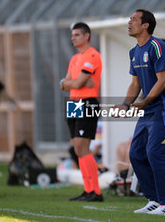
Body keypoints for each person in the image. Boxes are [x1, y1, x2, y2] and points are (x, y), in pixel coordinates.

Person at [114, 9, 165, 215]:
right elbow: (135, 84)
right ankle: (154, 200)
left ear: (146, 25)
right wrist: (125, 105)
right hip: (148, 110)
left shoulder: (158, 47)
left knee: (156, 154)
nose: (129, 22)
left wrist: (145, 102)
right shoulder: (133, 52)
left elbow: (163, 81)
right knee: (136, 154)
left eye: (134, 19)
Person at [60, 22, 103, 202]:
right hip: (73, 103)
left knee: (82, 147)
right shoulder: (74, 59)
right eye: (72, 35)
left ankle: (96, 191)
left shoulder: (92, 55)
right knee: (77, 148)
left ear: (87, 36)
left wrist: (73, 82)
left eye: (77, 35)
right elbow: (64, 84)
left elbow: (73, 83)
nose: (73, 38)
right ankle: (88, 190)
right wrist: (74, 82)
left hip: (87, 102)